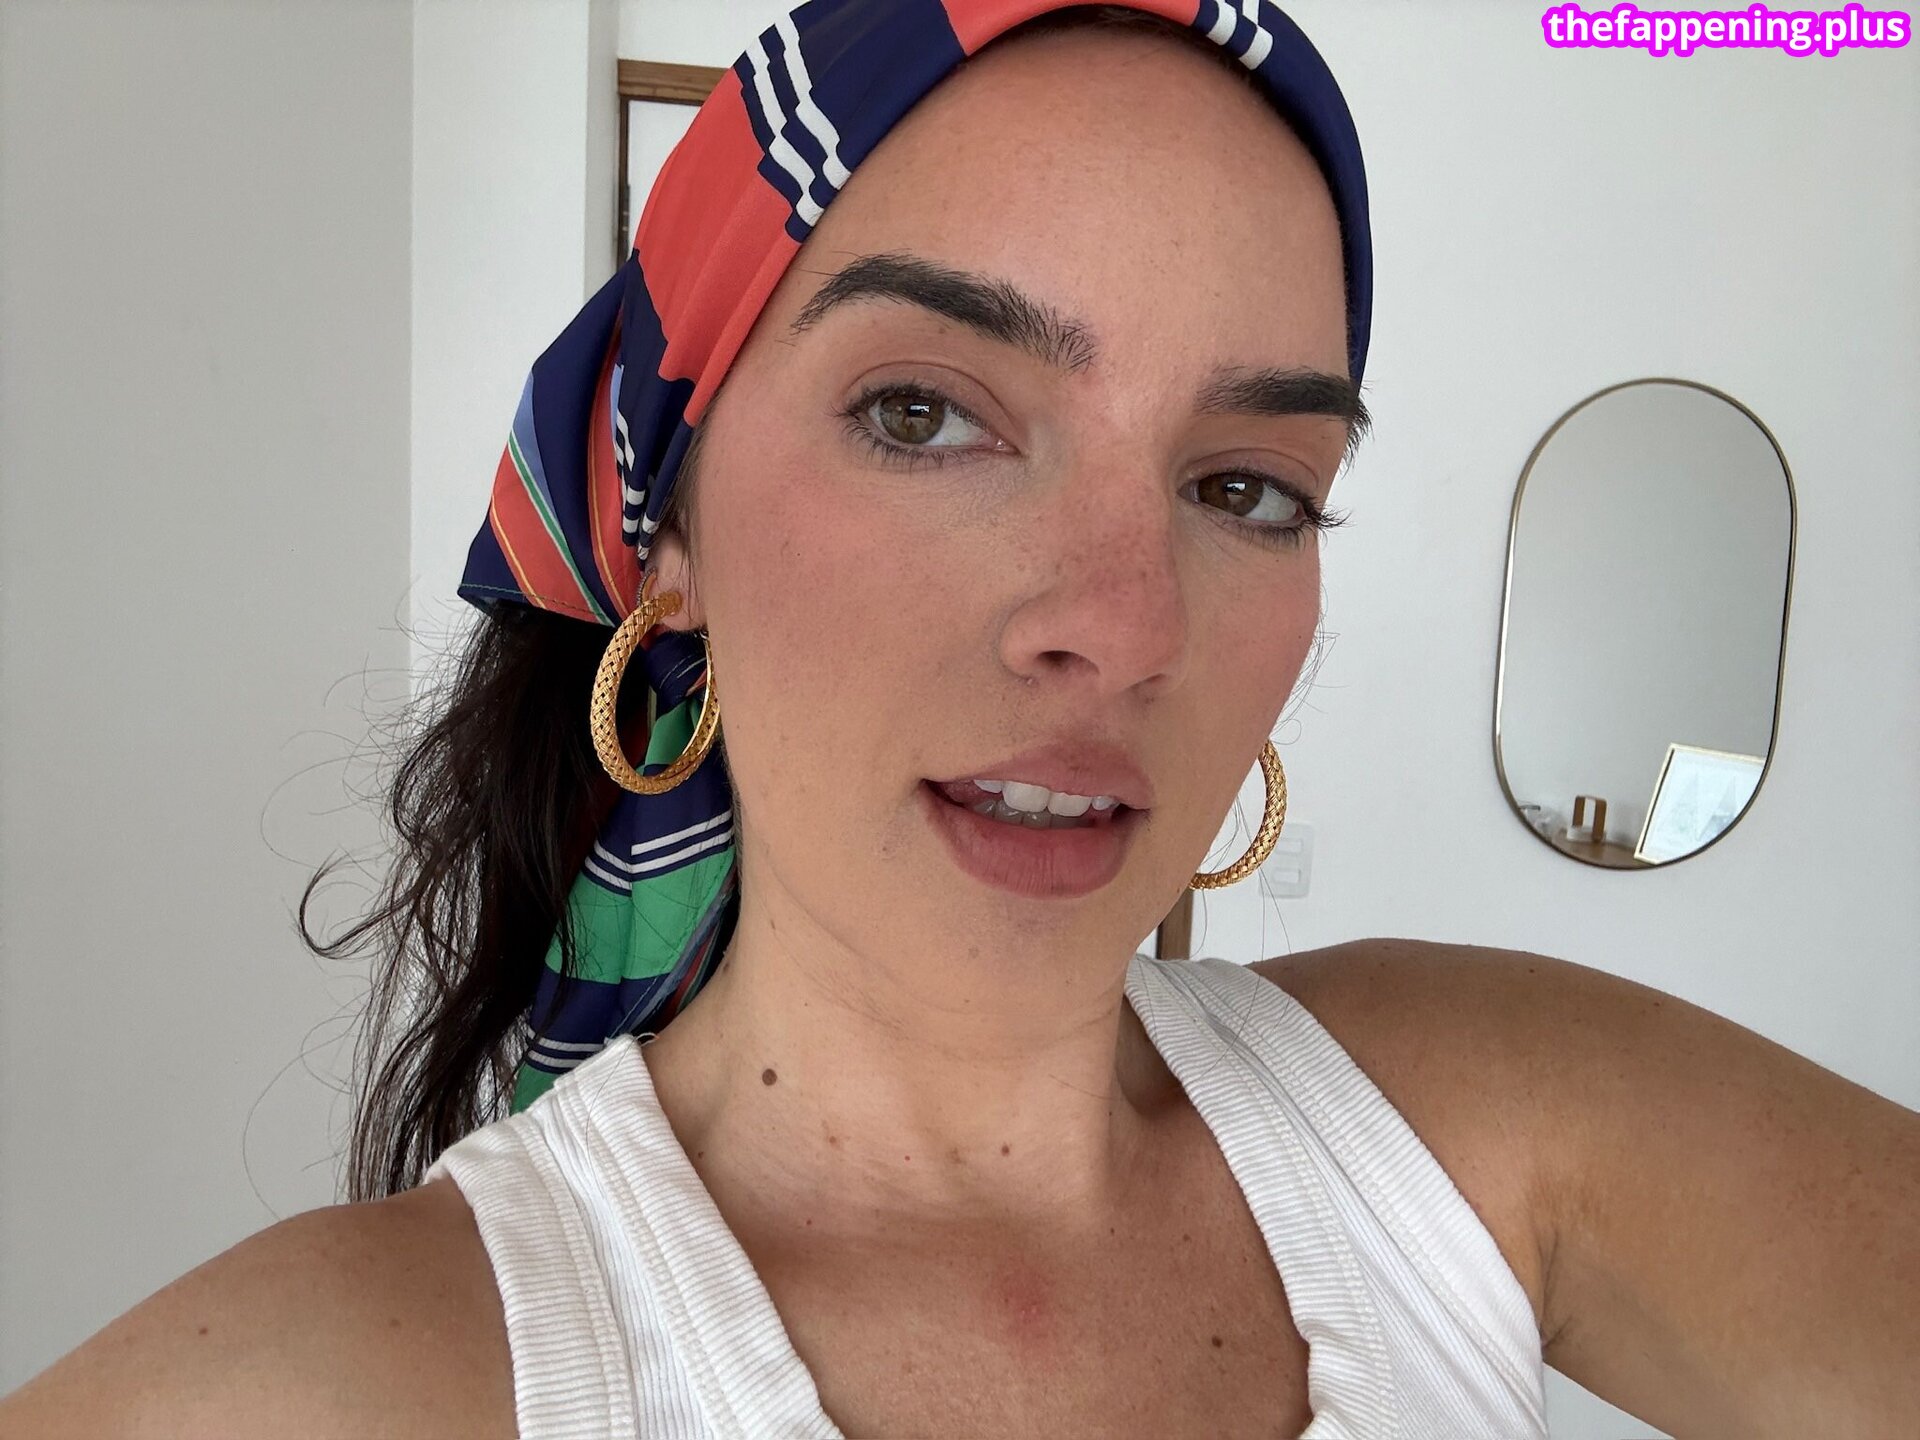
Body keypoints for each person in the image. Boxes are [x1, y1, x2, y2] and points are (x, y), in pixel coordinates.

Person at [3, 2, 1914, 1437]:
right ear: (665, 531)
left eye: (1247, 486)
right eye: (923, 414)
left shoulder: (1485, 1115)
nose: (1125, 626)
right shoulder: (355, 1379)